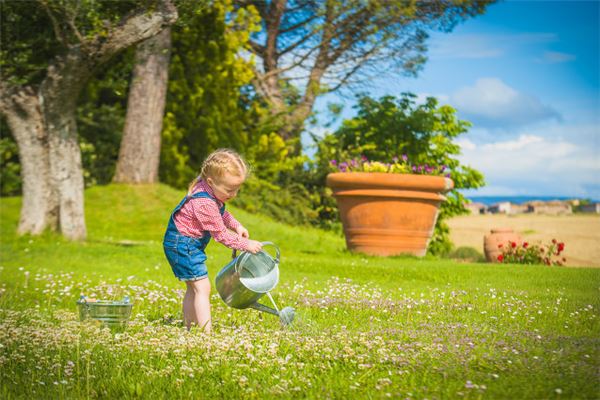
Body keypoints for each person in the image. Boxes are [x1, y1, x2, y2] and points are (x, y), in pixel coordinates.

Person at [163, 148, 262, 332]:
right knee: (203, 288)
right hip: (183, 245)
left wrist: (237, 226)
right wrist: (246, 245)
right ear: (211, 181)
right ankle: (205, 334)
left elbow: (222, 214)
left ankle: (189, 328)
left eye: (237, 189)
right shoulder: (204, 202)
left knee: (194, 288)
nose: (233, 194)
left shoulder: (211, 192)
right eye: (230, 189)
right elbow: (221, 235)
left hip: (183, 244)